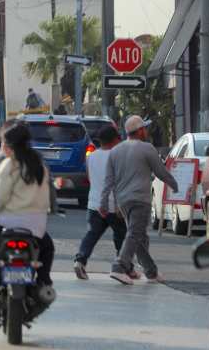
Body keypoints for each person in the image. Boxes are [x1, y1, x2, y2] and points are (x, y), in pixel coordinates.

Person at [0, 122, 54, 296]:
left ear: (9, 146)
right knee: (47, 247)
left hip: (7, 222)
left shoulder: (10, 165)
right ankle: (44, 280)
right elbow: (47, 196)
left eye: (4, 142)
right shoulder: (40, 166)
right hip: (36, 225)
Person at [100, 115, 179, 284]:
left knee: (139, 236)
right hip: (140, 199)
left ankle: (151, 272)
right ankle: (119, 267)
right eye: (145, 128)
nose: (147, 131)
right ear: (140, 130)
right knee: (135, 234)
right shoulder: (147, 148)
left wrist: (104, 202)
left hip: (123, 201)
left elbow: (108, 180)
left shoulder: (115, 151)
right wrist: (175, 185)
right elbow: (160, 171)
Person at [73, 126, 130, 280]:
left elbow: (89, 177)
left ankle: (80, 261)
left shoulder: (91, 157)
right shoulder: (118, 156)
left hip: (94, 204)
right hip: (113, 205)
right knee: (121, 236)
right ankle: (124, 267)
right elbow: (120, 182)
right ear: (115, 139)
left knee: (91, 235)